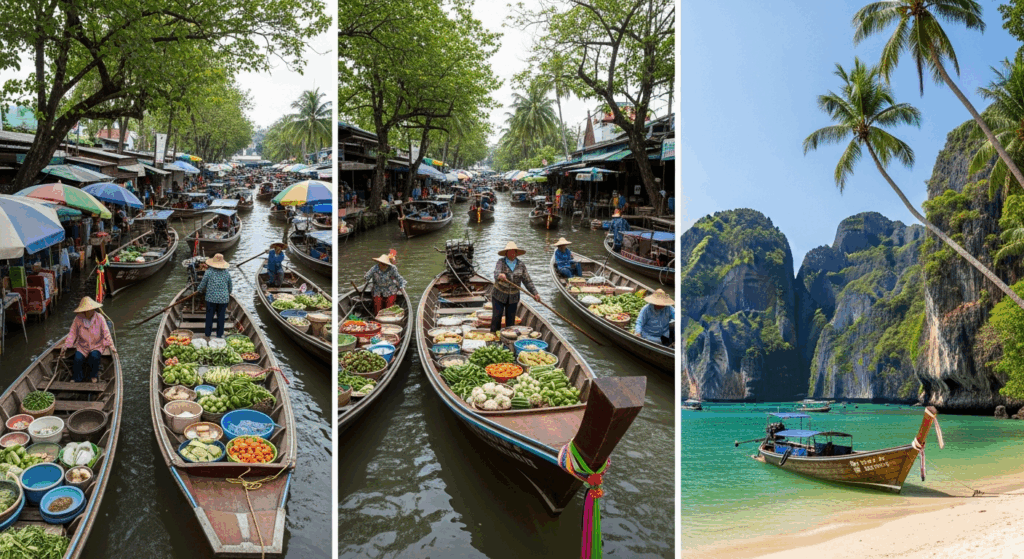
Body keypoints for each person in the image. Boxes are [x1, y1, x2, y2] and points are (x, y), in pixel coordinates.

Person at [60, 297, 116, 383]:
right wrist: (66, 346)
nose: (88, 312)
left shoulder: (100, 318)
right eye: (86, 310)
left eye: (90, 310)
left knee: (94, 357)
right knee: (77, 359)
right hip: (83, 346)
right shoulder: (78, 318)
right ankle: (77, 377)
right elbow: (72, 334)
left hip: (97, 345)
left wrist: (112, 347)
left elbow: (106, 333)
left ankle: (93, 375)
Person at [491, 242, 540, 333]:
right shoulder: (500, 262)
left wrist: (535, 293)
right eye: (510, 252)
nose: (512, 253)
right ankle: (494, 337)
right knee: (496, 317)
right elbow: (496, 274)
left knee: (510, 322)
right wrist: (500, 276)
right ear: (506, 253)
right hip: (499, 296)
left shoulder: (521, 265)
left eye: (514, 252)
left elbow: (527, 281)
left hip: (513, 297)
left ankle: (507, 340)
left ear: (517, 253)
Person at [197, 253, 233, 338]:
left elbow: (203, 284)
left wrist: (199, 290)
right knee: (221, 318)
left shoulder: (209, 272)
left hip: (211, 299)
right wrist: (227, 294)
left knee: (209, 317)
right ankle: (219, 335)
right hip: (223, 299)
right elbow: (230, 287)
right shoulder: (226, 273)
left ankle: (208, 334)